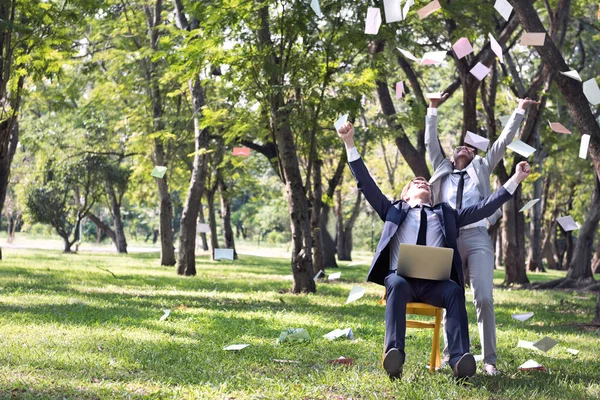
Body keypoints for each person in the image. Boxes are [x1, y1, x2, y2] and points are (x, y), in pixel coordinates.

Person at [337, 121, 531, 380]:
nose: (423, 183)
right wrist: (349, 143)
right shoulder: (393, 210)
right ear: (405, 195)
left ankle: (459, 359)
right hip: (402, 281)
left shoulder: (446, 214)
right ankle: (394, 354)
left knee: (454, 289)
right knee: (394, 281)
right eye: (417, 183)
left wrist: (516, 178)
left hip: (434, 286)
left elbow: (484, 208)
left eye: (426, 183)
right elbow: (365, 183)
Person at [425, 95, 539, 375]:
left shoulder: (482, 167)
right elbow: (430, 143)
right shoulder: (441, 169)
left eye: (468, 148)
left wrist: (520, 111)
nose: (463, 148)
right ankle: (452, 356)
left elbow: (502, 141)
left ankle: (489, 361)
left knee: (484, 297)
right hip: (447, 239)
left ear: (474, 156)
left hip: (477, 237)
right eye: (459, 147)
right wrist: (432, 108)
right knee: (449, 297)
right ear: (452, 157)